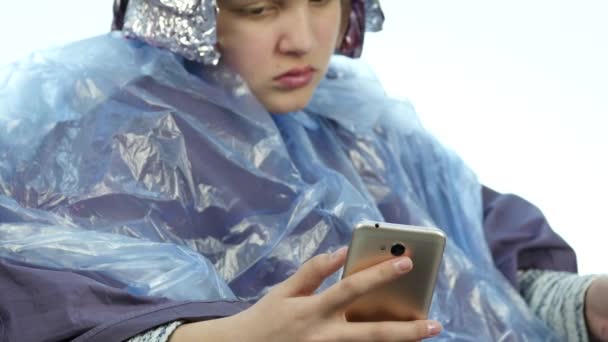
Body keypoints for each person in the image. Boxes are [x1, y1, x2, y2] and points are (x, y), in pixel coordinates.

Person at [0, 0, 606, 341]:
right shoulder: (86, 145)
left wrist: (584, 307)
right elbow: (46, 313)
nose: (303, 39)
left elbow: (489, 277)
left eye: (322, 0)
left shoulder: (357, 128)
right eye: (260, 8)